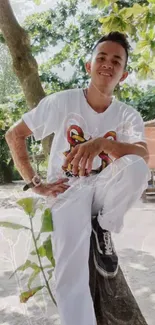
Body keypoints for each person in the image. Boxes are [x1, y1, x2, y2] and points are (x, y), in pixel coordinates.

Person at [6, 31, 151, 325]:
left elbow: (142, 155)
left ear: (123, 75)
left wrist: (102, 144)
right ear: (89, 66)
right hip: (67, 191)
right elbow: (14, 134)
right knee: (69, 273)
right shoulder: (62, 102)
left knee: (137, 166)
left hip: (104, 190)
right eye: (102, 57)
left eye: (116, 60)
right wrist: (36, 184)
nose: (108, 64)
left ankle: (104, 227)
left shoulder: (128, 115)